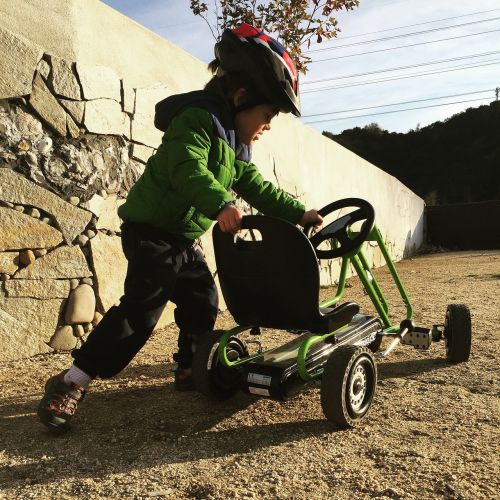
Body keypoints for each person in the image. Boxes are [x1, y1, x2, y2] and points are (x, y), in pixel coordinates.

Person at [37, 23, 323, 434]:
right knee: (142, 309)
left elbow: (257, 187)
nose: (268, 125)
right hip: (151, 232)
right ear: (242, 97)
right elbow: (187, 169)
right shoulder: (196, 120)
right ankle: (72, 381)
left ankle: (190, 367)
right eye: (268, 114)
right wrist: (220, 203)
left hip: (182, 239)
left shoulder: (234, 143)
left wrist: (298, 213)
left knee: (203, 300)